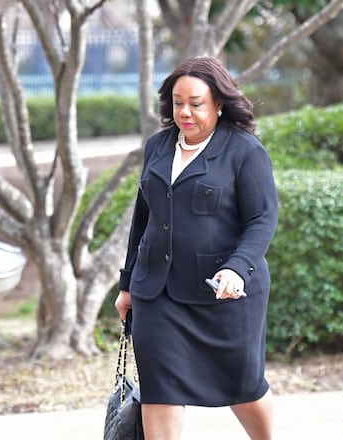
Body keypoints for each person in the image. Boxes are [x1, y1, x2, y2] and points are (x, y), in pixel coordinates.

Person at [115, 56, 279, 440]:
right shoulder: (157, 146)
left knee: (244, 387)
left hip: (222, 293)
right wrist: (126, 285)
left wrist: (238, 267)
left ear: (219, 103)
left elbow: (262, 219)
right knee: (160, 391)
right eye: (177, 102)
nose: (184, 112)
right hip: (158, 292)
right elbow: (144, 220)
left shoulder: (245, 151)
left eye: (195, 103)